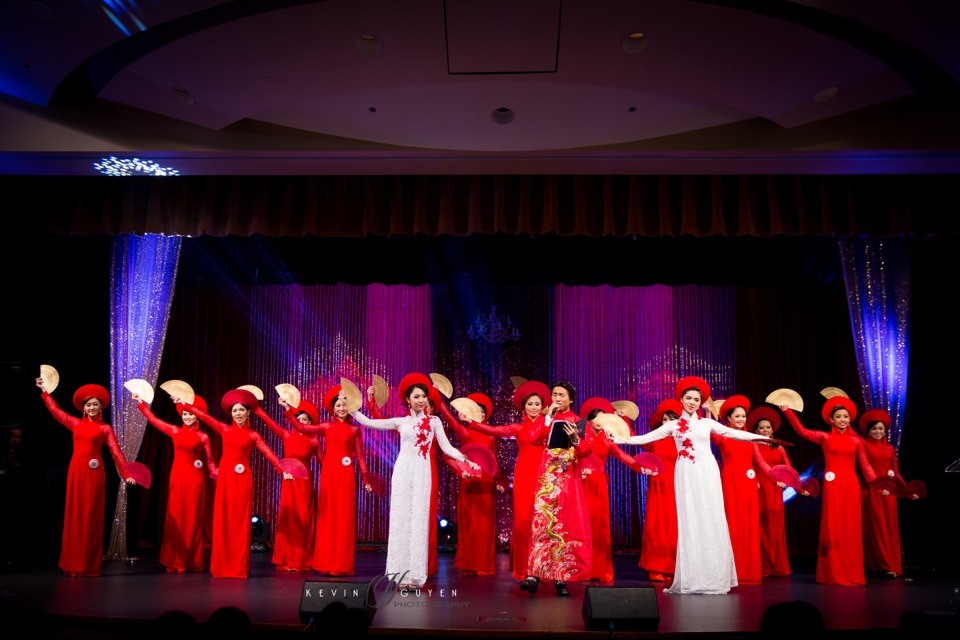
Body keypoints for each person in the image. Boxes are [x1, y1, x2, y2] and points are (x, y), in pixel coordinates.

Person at [612, 376, 773, 595]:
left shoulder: (707, 423)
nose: (692, 402)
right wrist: (620, 439)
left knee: (711, 517)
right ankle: (692, 576)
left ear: (700, 402)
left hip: (707, 471)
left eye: (696, 399)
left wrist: (760, 438)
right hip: (686, 473)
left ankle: (714, 577)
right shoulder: (673, 425)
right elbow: (643, 438)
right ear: (681, 399)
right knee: (689, 521)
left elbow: (733, 432)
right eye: (688, 398)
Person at [348, 374, 479, 588]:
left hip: (422, 472)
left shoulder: (434, 421)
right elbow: (369, 422)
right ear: (408, 399)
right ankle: (400, 575)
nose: (421, 400)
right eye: (417, 396)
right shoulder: (401, 422)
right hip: (402, 471)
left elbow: (446, 448)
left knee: (418, 522)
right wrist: (351, 405)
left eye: (424, 396)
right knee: (400, 521)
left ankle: (415, 577)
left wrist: (466, 459)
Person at [171, 388, 294, 579]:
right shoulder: (224, 429)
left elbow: (268, 452)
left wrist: (282, 469)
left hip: (243, 480)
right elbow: (203, 416)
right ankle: (221, 567)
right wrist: (184, 404)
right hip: (226, 478)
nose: (238, 414)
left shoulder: (253, 435)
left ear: (248, 413)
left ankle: (238, 567)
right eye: (235, 410)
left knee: (239, 522)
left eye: (241, 410)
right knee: (224, 520)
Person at [36, 377, 136, 576]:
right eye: (88, 405)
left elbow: (116, 452)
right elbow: (56, 412)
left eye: (95, 404)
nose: (91, 407)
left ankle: (89, 566)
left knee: (91, 518)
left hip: (95, 475)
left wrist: (126, 474)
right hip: (77, 473)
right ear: (83, 408)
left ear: (101, 408)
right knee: (75, 517)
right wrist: (45, 392)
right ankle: (73, 564)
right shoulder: (75, 424)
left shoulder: (105, 429)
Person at [452, 380, 549, 581]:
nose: (533, 408)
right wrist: (471, 422)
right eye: (529, 404)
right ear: (523, 407)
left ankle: (543, 569)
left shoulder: (548, 425)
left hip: (544, 476)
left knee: (543, 522)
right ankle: (525, 570)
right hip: (523, 476)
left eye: (537, 404)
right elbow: (493, 431)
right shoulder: (517, 428)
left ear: (542, 407)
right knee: (523, 522)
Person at [779, 396, 878, 586]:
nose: (842, 420)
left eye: (846, 417)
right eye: (838, 417)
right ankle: (832, 572)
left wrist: (878, 484)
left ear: (850, 419)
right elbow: (802, 431)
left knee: (851, 528)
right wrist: (787, 412)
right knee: (833, 527)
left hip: (851, 486)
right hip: (833, 487)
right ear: (831, 420)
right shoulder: (825, 437)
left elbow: (866, 466)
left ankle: (851, 572)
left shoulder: (856, 442)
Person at [520, 381, 592, 597]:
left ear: (570, 399)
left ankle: (561, 577)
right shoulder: (546, 418)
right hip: (546, 479)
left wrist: (575, 439)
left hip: (567, 479)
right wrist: (548, 417)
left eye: (561, 395)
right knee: (541, 523)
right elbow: (533, 438)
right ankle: (533, 574)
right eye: (554, 394)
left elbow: (587, 450)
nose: (557, 398)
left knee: (563, 526)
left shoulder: (578, 421)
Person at [132, 392, 216, 573]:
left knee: (193, 519)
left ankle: (191, 561)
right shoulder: (175, 431)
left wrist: (218, 474)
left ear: (197, 415)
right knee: (177, 518)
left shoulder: (203, 437)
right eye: (185, 414)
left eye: (191, 414)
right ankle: (175, 559)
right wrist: (141, 405)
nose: (187, 417)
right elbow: (153, 420)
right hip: (177, 480)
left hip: (196, 481)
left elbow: (209, 462)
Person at [293, 386, 373, 575]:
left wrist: (366, 479)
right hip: (329, 475)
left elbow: (360, 456)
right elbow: (302, 427)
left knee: (344, 517)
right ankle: (325, 563)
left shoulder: (354, 430)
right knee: (328, 517)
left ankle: (341, 564)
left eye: (345, 404)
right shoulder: (326, 427)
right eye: (338, 405)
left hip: (346, 475)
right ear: (333, 408)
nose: (342, 408)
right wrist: (289, 411)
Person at [580, 400, 651, 582]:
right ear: (588, 421)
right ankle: (579, 568)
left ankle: (597, 569)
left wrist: (640, 467)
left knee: (599, 528)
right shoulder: (580, 438)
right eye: (596, 418)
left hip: (599, 485)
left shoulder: (607, 440)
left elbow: (624, 457)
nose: (599, 420)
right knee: (581, 527)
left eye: (602, 417)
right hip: (580, 484)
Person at [254, 396, 322, 571]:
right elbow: (270, 423)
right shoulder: (286, 435)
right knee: (289, 518)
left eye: (304, 420)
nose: (300, 422)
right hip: (289, 483)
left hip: (305, 484)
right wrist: (257, 410)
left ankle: (301, 560)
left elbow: (325, 461)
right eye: (298, 419)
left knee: (303, 520)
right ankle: (287, 559)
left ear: (310, 422)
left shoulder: (314, 441)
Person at [439, 392, 499, 577]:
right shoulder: (465, 432)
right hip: (468, 479)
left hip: (485, 482)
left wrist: (497, 481)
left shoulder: (491, 435)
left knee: (484, 525)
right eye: (474, 411)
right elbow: (448, 417)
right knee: (468, 524)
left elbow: (493, 461)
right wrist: (438, 400)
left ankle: (484, 564)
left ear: (484, 416)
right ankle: (468, 564)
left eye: (481, 412)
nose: (478, 414)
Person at [714, 394, 768, 585]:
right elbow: (708, 429)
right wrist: (705, 411)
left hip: (749, 485)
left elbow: (761, 463)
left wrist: (779, 476)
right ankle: (731, 571)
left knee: (749, 525)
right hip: (730, 482)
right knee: (732, 524)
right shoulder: (722, 436)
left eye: (743, 416)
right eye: (737, 416)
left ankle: (750, 571)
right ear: (728, 418)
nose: (741, 419)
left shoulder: (750, 438)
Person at [857, 408, 913, 578]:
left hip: (890, 494)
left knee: (889, 528)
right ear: (868, 430)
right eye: (874, 429)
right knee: (877, 527)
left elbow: (895, 471)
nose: (878, 431)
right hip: (873, 491)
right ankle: (881, 564)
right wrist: (879, 487)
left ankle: (892, 564)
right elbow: (866, 468)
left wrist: (906, 490)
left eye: (881, 429)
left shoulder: (889, 449)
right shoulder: (863, 445)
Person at [637, 399, 681, 583]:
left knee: (677, 527)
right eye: (665, 419)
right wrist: (623, 423)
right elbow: (636, 440)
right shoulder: (655, 438)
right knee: (658, 526)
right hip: (659, 487)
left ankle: (675, 567)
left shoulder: (684, 440)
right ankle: (656, 567)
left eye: (672, 418)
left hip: (679, 485)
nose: (669, 422)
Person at [748, 406, 794, 577]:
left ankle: (777, 564)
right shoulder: (754, 445)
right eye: (762, 428)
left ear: (773, 429)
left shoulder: (779, 447)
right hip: (761, 488)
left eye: (768, 427)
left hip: (776, 489)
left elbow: (788, 467)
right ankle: (764, 565)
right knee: (763, 526)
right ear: (756, 430)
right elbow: (762, 466)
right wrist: (777, 479)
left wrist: (787, 481)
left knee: (775, 527)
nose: (765, 430)